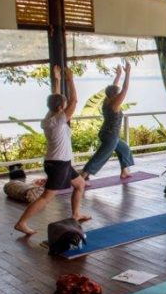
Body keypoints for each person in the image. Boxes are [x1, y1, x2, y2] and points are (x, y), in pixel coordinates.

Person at [14, 66, 91, 235]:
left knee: (80, 185)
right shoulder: (59, 119)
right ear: (61, 107)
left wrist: (57, 80)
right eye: (63, 104)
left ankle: (76, 214)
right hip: (58, 164)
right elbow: (74, 101)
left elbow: (55, 100)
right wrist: (70, 79)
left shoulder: (49, 117)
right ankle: (22, 222)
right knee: (46, 198)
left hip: (58, 162)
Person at [81, 62, 135, 180]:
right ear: (115, 95)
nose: (119, 94)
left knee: (124, 149)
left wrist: (119, 75)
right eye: (117, 93)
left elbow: (113, 88)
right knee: (101, 156)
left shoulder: (107, 100)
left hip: (106, 133)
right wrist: (128, 73)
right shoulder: (115, 104)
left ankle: (124, 171)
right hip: (110, 136)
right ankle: (83, 175)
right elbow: (125, 89)